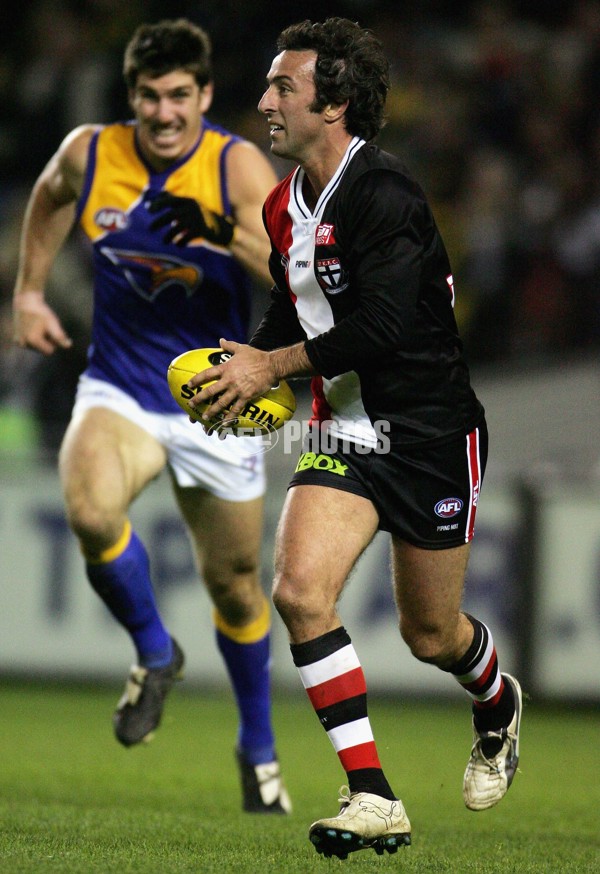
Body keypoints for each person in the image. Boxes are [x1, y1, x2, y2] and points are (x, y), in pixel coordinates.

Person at [184, 16, 523, 859]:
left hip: (431, 433)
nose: (264, 100)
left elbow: (382, 325)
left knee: (431, 636)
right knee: (299, 590)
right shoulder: (281, 200)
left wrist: (275, 369)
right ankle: (372, 793)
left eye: (283, 87)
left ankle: (497, 702)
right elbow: (293, 307)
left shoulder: (387, 195)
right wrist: (246, 364)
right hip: (346, 434)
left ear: (331, 104)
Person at [12, 18, 291, 815]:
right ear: (129, 96)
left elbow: (293, 269)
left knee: (236, 586)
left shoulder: (236, 164)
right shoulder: (92, 153)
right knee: (89, 508)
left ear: (204, 95)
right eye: (148, 96)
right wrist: (29, 291)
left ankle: (259, 748)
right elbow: (47, 196)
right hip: (124, 386)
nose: (164, 113)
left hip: (220, 399)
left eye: (179, 96)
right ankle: (155, 652)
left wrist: (218, 230)